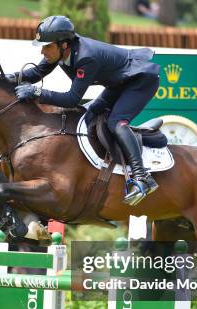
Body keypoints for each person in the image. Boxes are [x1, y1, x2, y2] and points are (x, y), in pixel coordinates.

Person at [10, 15, 161, 205]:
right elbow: (37, 73)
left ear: (63, 45)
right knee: (89, 115)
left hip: (140, 81)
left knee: (117, 122)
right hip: (120, 83)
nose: (42, 51)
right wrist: (9, 78)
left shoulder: (86, 57)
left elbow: (72, 98)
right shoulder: (60, 50)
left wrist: (37, 92)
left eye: (47, 46)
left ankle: (142, 177)